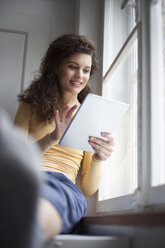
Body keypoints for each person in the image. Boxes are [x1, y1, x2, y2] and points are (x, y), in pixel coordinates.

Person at [14, 34, 114, 242]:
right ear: (56, 67)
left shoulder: (90, 115)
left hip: (63, 187)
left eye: (86, 70)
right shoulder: (30, 106)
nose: (80, 75)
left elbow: (87, 189)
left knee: (31, 208)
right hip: (27, 178)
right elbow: (15, 161)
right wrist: (52, 138)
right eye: (73, 66)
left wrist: (97, 159)